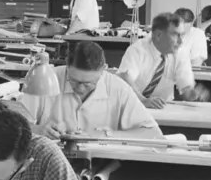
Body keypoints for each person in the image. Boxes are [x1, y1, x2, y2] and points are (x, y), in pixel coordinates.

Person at [19, 41, 162, 140]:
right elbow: (13, 125)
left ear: (103, 70)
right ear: (67, 67)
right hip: (52, 161)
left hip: (102, 163)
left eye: (88, 83)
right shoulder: (45, 80)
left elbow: (152, 133)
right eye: (74, 81)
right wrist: (38, 130)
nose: (80, 88)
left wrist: (107, 135)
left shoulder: (118, 88)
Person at [117, 12, 210, 109]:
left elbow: (185, 88)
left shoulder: (180, 52)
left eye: (182, 35)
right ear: (158, 35)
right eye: (175, 35)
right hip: (134, 106)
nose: (180, 41)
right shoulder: (138, 50)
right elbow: (124, 78)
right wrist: (143, 100)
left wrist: (193, 95)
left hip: (162, 109)